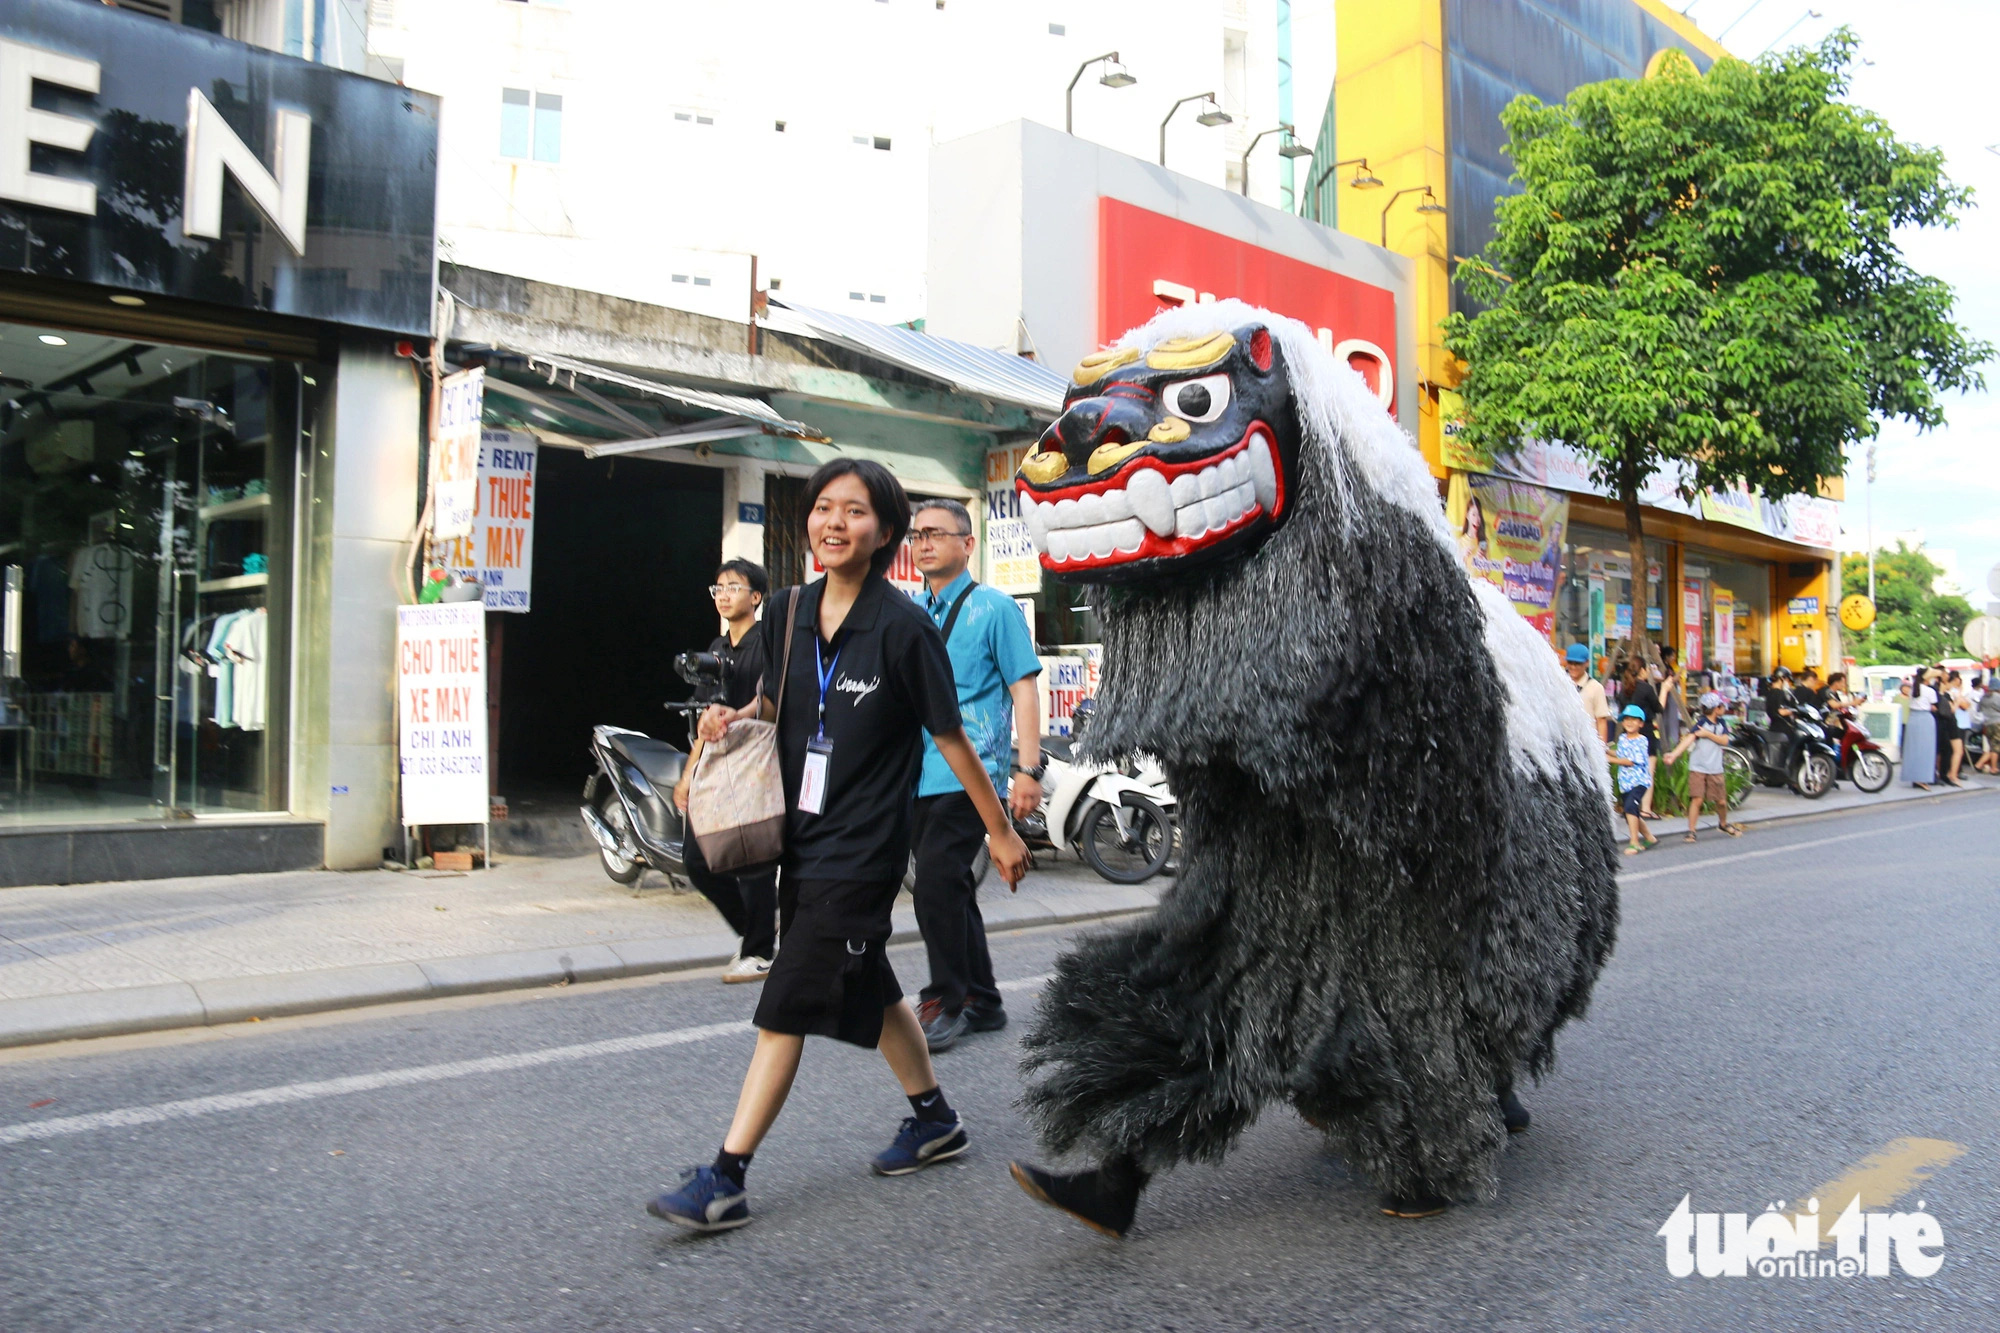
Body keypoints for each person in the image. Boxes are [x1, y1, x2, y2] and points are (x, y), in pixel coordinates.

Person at [647, 459, 1029, 1235]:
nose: (832, 522)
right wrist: (728, 720)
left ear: (883, 532)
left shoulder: (904, 627)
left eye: (853, 511)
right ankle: (934, 1117)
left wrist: (999, 827)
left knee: (787, 998)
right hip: (801, 834)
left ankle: (726, 1175)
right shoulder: (786, 611)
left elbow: (949, 738)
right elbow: (764, 696)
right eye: (823, 507)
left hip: (865, 846)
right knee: (869, 975)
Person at [904, 498, 1044, 1053]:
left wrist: (1027, 768)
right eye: (917, 536)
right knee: (953, 886)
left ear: (968, 544)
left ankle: (946, 998)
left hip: (974, 775)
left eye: (936, 533)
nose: (924, 543)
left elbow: (1024, 687)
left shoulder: (995, 608)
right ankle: (984, 999)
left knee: (935, 883)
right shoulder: (913, 611)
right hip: (916, 774)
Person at [675, 559, 780, 983]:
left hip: (755, 760)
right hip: (717, 764)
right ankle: (757, 930)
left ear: (755, 597)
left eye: (733, 587)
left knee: (752, 855)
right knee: (696, 858)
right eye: (717, 587)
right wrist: (688, 775)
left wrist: (736, 715)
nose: (723, 594)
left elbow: (773, 697)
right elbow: (705, 715)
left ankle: (759, 952)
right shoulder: (715, 651)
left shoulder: (767, 642)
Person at [1667, 691, 1743, 842]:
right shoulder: (1701, 724)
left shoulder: (1721, 724)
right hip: (1698, 767)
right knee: (1697, 799)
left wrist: (1708, 735)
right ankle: (1691, 831)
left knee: (1721, 800)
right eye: (1721, 706)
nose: (1723, 708)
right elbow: (1689, 739)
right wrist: (1674, 754)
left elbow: (1725, 741)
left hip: (1715, 768)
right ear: (1716, 708)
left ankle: (1723, 823)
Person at [1609, 705, 1658, 855]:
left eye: (1634, 720)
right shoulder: (1623, 738)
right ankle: (1649, 837)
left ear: (1641, 724)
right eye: (1626, 719)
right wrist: (1605, 750)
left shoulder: (1641, 740)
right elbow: (1620, 754)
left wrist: (1608, 759)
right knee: (1632, 810)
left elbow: (1630, 761)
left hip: (1638, 781)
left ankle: (1634, 842)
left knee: (1630, 807)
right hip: (1625, 783)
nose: (1629, 723)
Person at [1621, 660, 1662, 819]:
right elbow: (1659, 709)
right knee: (1648, 771)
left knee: (1629, 769)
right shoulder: (1646, 689)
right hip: (1645, 733)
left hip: (1627, 734)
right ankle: (1645, 808)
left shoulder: (1624, 689)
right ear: (1643, 670)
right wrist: (1664, 689)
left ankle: (1630, 805)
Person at [1565, 643, 1611, 744]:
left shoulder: (1596, 688)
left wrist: (1601, 749)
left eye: (1577, 663)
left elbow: (1601, 720)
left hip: (1587, 743)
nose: (1573, 667)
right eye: (1570, 662)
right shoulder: (1559, 682)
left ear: (1587, 663)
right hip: (1563, 741)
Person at [1903, 669, 1938, 792]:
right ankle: (1922, 778)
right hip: (1925, 718)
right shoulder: (1930, 691)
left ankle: (1914, 776)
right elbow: (1933, 706)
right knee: (1926, 750)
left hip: (1913, 718)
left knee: (1913, 749)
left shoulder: (1913, 689)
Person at [1941, 670, 1970, 787]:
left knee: (1956, 750)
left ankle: (1954, 772)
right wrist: (1959, 697)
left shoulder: (1952, 692)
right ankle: (1954, 773)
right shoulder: (1951, 693)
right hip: (1954, 723)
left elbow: (1967, 705)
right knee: (1956, 750)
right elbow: (1963, 706)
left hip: (1957, 722)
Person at [1978, 675, 2000, 776]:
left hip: (1986, 724)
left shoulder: (1984, 697)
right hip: (1997, 723)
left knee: (1991, 746)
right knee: (1996, 746)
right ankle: (1994, 768)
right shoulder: (1997, 697)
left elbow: (1979, 710)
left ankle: (1979, 764)